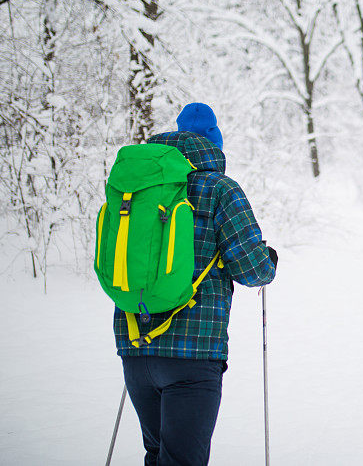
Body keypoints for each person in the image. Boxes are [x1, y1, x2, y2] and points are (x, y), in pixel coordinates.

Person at [114, 102, 277, 466]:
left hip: (135, 345)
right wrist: (270, 261)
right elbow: (253, 270)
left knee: (156, 455)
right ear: (214, 144)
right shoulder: (220, 189)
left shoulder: (137, 186)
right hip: (194, 352)